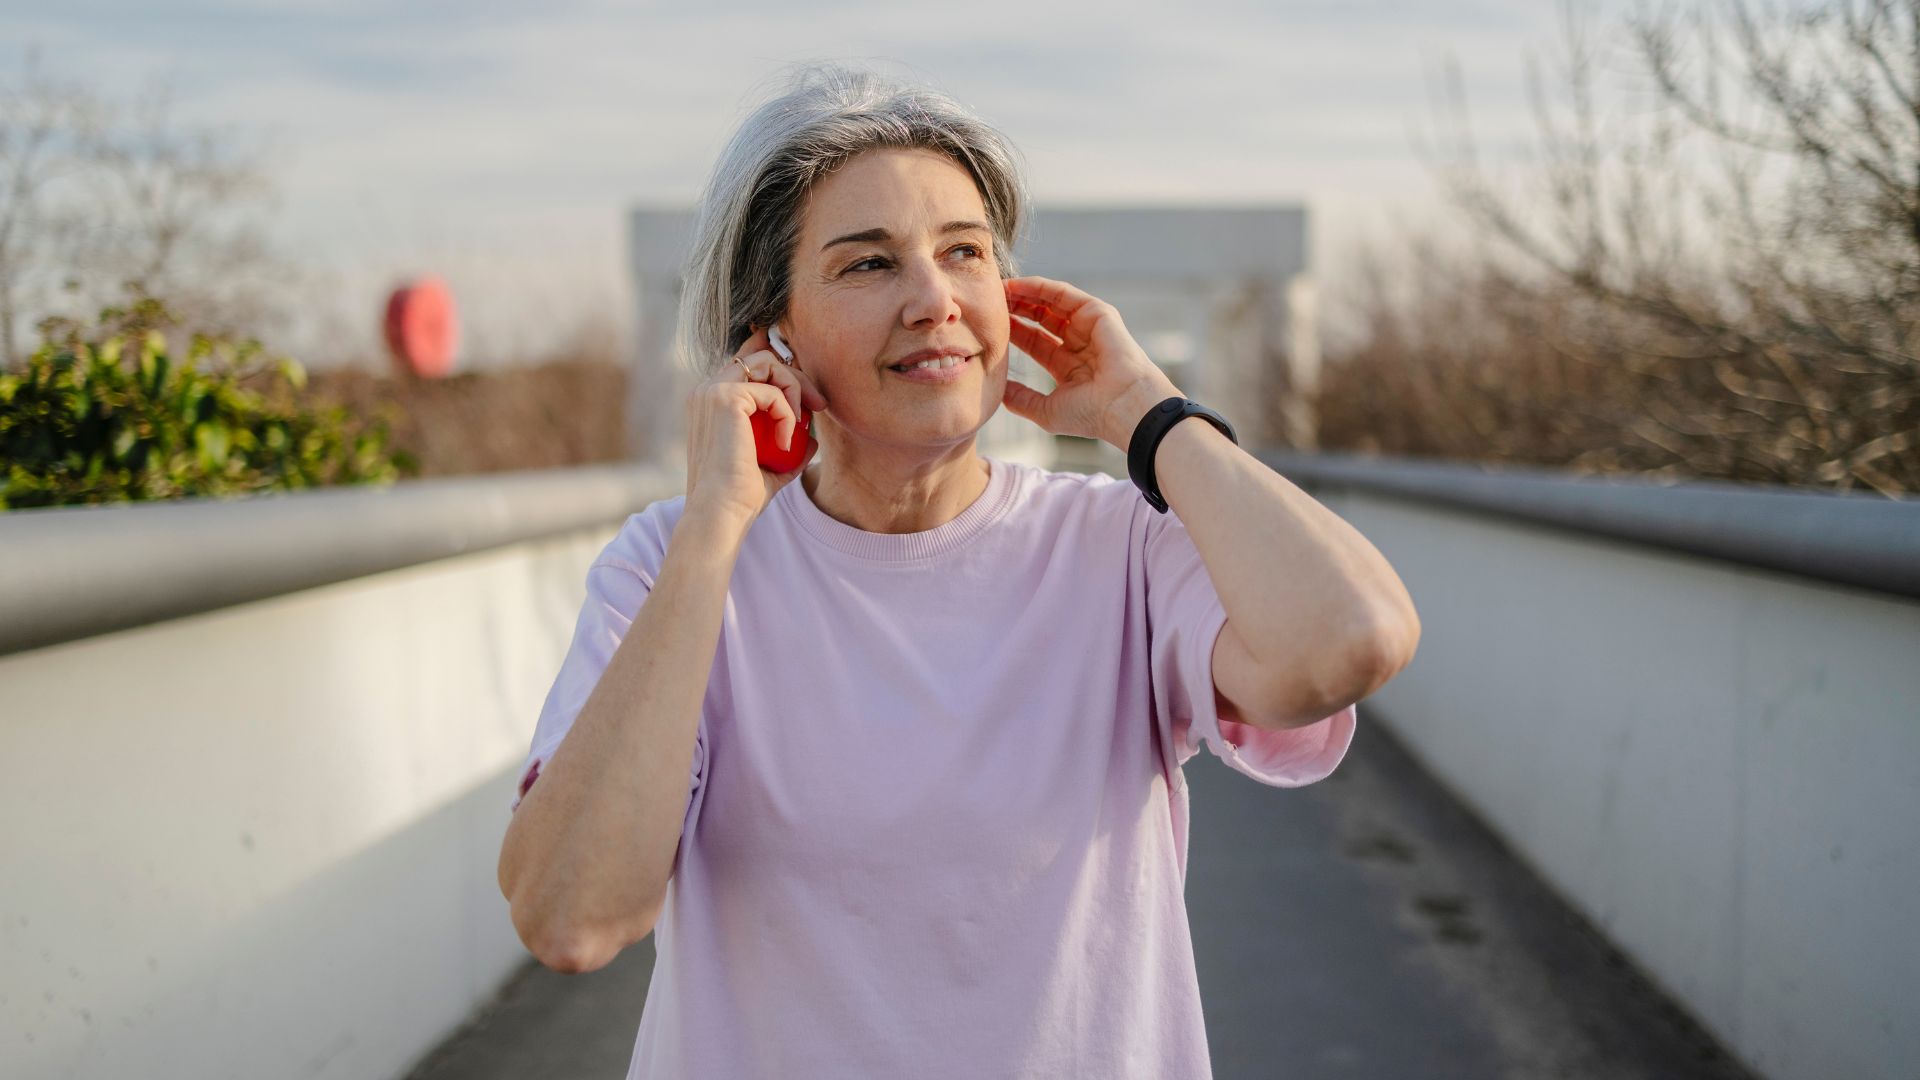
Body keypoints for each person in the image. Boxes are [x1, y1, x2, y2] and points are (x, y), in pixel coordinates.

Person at [496, 61, 1420, 1079]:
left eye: (965, 253)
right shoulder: (669, 565)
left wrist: (1152, 418)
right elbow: (573, 917)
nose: (935, 299)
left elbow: (1355, 638)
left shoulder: (1123, 549)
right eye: (868, 265)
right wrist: (714, 527)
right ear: (774, 335)